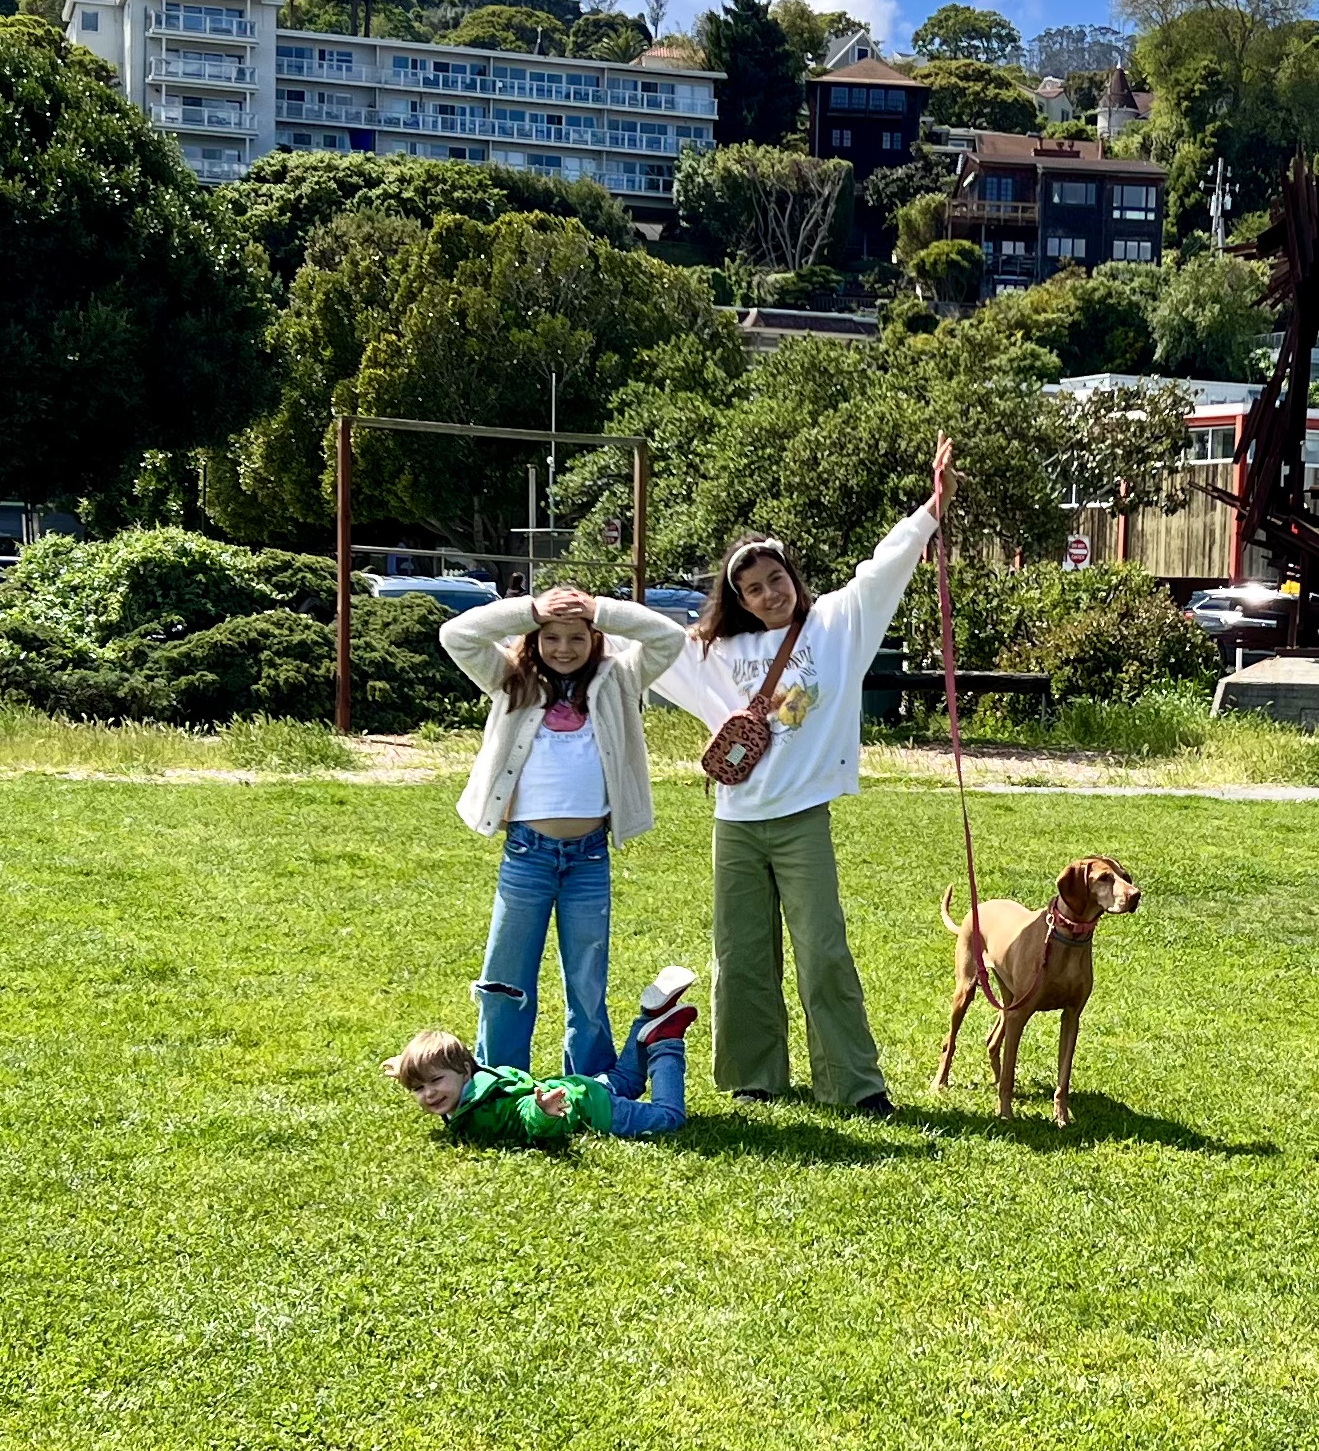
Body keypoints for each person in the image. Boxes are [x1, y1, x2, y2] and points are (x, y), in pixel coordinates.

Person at [653, 439, 956, 1115]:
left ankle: (854, 1085)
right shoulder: (719, 651)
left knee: (822, 953)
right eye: (754, 589)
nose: (769, 594)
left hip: (800, 821)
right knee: (741, 957)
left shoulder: (837, 624)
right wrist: (566, 612)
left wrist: (932, 510)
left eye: (776, 579)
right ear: (738, 598)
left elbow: (884, 568)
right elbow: (644, 642)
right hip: (735, 824)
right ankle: (754, 1076)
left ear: (793, 573)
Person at [438, 581, 681, 1078]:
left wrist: (601, 610)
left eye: (577, 637)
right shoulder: (510, 677)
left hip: (589, 858)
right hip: (527, 855)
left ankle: (589, 1080)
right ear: (533, 638)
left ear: (596, 639)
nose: (563, 649)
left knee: (587, 979)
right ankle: (499, 1078)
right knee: (506, 975)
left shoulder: (620, 679)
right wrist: (529, 609)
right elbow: (456, 635)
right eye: (551, 636)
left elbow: (668, 638)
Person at [386, 970, 701, 1146]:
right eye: (417, 1088)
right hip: (579, 1087)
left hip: (588, 1109)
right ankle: (651, 1014)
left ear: (464, 1071)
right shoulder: (477, 1079)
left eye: (436, 1081)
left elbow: (523, 1115)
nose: (428, 1093)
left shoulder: (483, 1109)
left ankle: (665, 1041)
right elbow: (453, 1069)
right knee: (625, 1080)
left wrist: (544, 1113)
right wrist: (407, 1067)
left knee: (670, 1118)